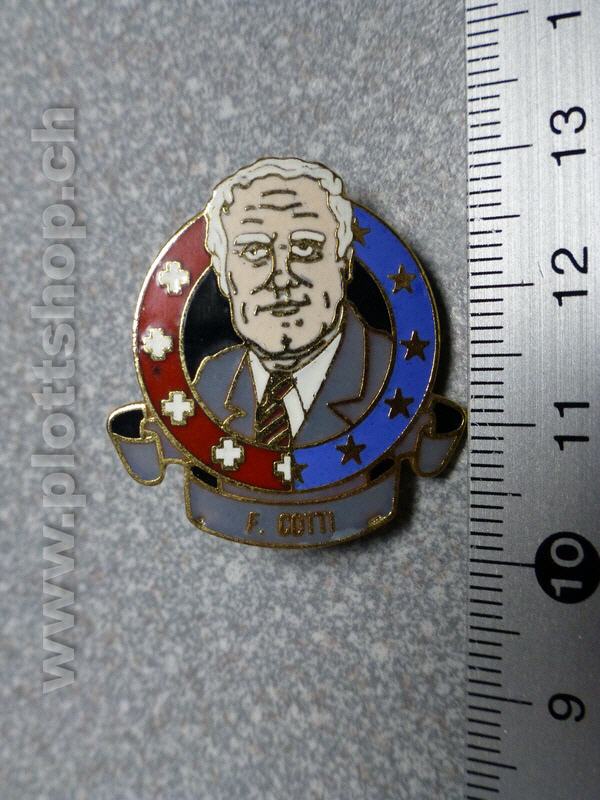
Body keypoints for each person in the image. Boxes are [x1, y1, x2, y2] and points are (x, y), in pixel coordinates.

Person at [194, 157, 392, 448]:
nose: (281, 277)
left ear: (344, 263)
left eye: (305, 248)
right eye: (254, 251)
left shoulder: (391, 372)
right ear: (223, 275)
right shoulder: (209, 384)